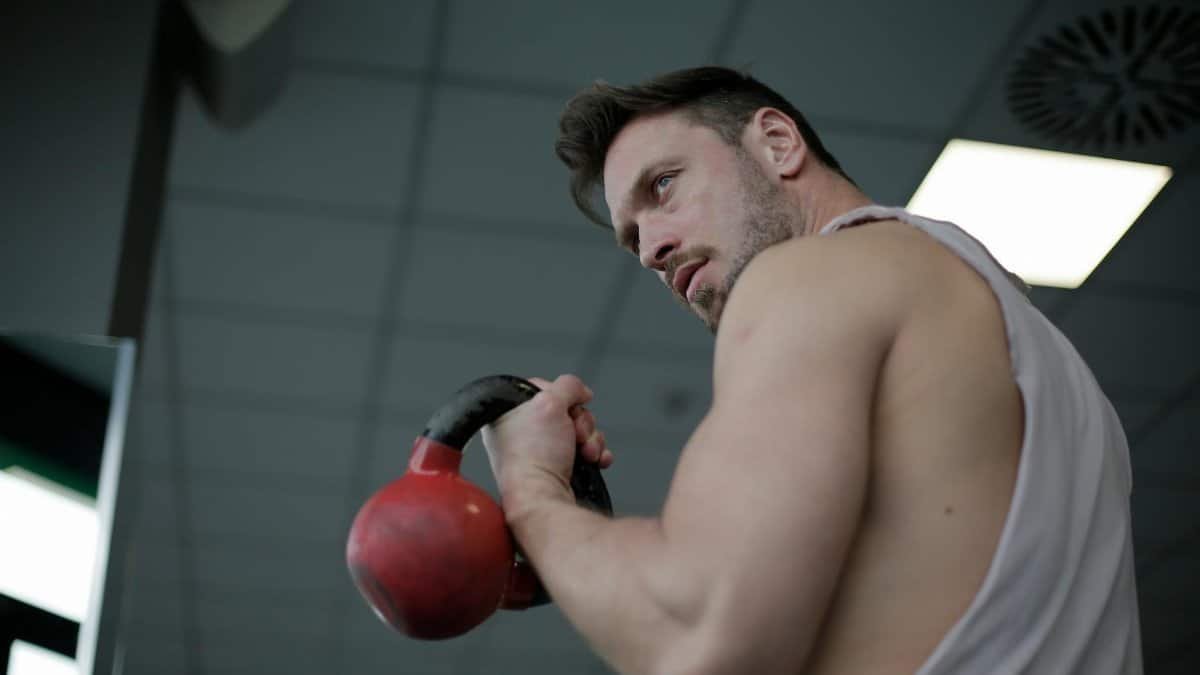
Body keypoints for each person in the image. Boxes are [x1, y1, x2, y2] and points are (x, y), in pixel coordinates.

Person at [480, 66, 1142, 674]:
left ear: (776, 142)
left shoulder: (811, 275)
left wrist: (531, 485)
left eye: (664, 185)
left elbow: (693, 638)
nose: (652, 248)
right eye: (632, 237)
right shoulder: (1022, 339)